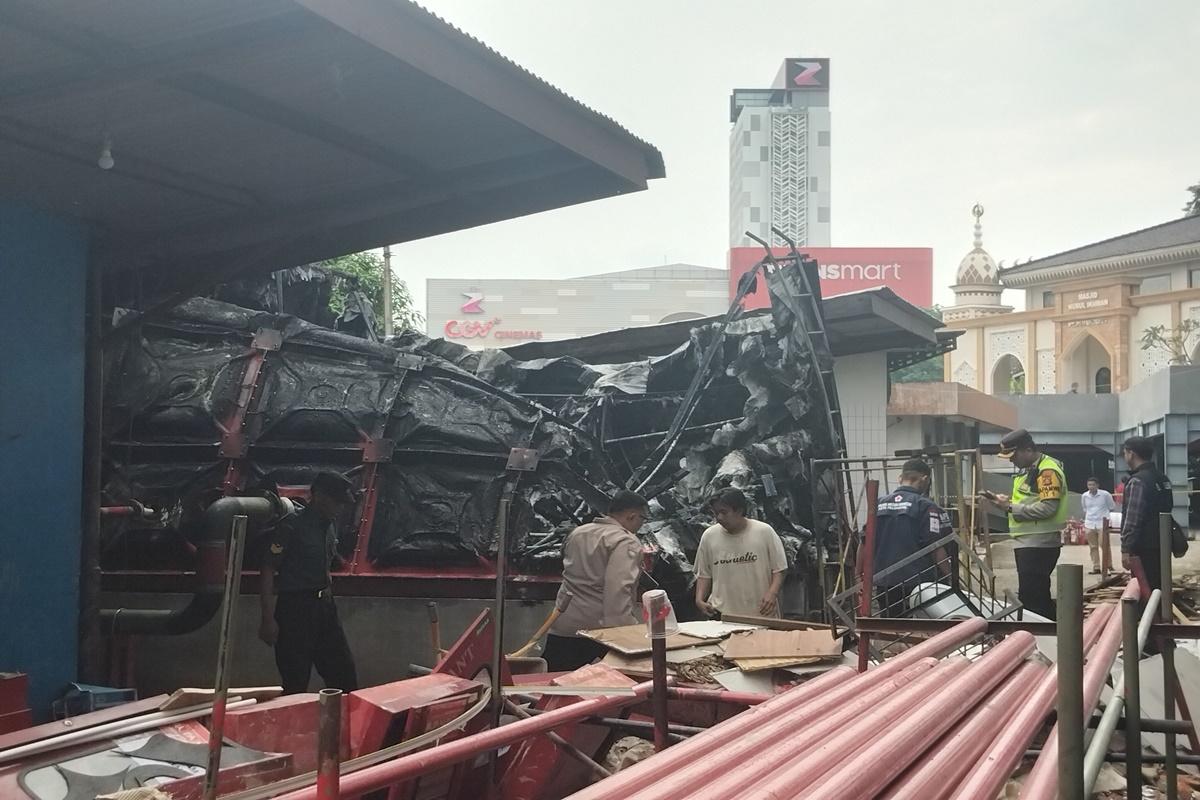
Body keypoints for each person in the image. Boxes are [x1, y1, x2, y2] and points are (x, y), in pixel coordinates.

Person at [259, 471, 359, 694]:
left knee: (344, 678)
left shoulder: (330, 526)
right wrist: (267, 619)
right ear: (320, 496)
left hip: (324, 608)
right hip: (296, 610)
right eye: (337, 502)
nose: (340, 508)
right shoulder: (292, 527)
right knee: (295, 681)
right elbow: (268, 569)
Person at [543, 490, 647, 672]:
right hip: (598, 632)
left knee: (554, 685)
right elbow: (618, 590)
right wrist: (625, 637)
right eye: (642, 518)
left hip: (563, 625)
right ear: (632, 516)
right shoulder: (625, 541)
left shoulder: (578, 533)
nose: (641, 524)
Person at [979, 428, 1067, 619]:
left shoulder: (1047, 471)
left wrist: (1010, 507)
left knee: (1033, 598)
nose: (1011, 460)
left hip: (1039, 543)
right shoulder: (1032, 469)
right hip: (1030, 542)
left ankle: (1043, 635)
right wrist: (1005, 502)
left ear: (1027, 450)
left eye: (1013, 455)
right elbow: (1031, 499)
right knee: (1035, 595)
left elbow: (1048, 508)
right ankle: (1047, 634)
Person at [869, 459, 952, 615]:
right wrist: (951, 576)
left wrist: (859, 575)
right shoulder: (925, 506)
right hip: (919, 582)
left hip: (885, 581)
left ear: (900, 478)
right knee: (920, 629)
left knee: (890, 627)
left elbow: (864, 542)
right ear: (925, 479)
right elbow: (934, 545)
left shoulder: (878, 504)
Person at [695, 487, 788, 618]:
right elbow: (704, 574)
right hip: (722, 614)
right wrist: (699, 599)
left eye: (724, 512)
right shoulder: (709, 536)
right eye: (715, 513)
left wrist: (772, 593)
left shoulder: (764, 532)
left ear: (739, 510)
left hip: (761, 613)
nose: (719, 517)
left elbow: (779, 569)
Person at [1119, 436, 1175, 596]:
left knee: (1145, 589)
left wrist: (1126, 549)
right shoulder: (1163, 478)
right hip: (1162, 543)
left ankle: (1150, 619)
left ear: (1131, 453)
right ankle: (1161, 617)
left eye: (1125, 453)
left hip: (1143, 547)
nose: (1125, 457)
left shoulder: (1137, 481)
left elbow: (1132, 519)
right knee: (1159, 585)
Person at [1080, 477, 1116, 574]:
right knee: (1093, 547)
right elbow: (1085, 508)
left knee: (1104, 545)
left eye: (1093, 485)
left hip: (1102, 523)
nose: (1091, 487)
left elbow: (1112, 507)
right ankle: (1096, 567)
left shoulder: (1105, 495)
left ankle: (1108, 565)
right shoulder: (1084, 496)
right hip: (1090, 523)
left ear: (1097, 485)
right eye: (1089, 485)